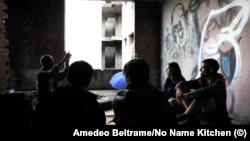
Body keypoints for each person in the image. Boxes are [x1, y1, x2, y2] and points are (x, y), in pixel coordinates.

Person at [34, 60, 106, 137]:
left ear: (68, 77)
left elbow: (38, 120)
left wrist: (66, 61)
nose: (52, 63)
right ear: (88, 81)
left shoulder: (52, 98)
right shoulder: (91, 104)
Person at [112, 58, 178, 126]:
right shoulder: (159, 96)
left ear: (127, 77)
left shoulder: (119, 98)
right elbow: (173, 120)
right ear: (147, 75)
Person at [176, 58, 231, 125]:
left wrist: (186, 96)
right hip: (203, 112)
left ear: (211, 70)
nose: (200, 70)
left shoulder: (219, 83)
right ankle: (191, 117)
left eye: (202, 68)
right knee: (183, 88)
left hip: (217, 115)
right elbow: (182, 83)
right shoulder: (202, 80)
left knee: (204, 95)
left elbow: (206, 91)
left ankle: (184, 115)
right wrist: (178, 90)